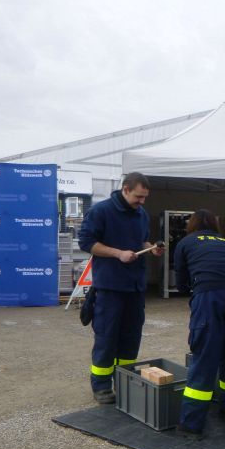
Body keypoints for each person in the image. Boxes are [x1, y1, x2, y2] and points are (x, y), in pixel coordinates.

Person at [77, 172, 165, 404]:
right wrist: (118, 253)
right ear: (125, 189)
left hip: (135, 288)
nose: (142, 202)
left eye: (145, 197)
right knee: (107, 338)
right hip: (110, 288)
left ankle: (125, 381)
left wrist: (151, 248)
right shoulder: (101, 211)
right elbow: (86, 242)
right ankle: (102, 387)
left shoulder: (141, 214)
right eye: (138, 196)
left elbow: (142, 242)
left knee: (130, 338)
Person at [173, 209, 225, 437]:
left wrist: (193, 290)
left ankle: (191, 425)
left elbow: (181, 283)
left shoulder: (186, 243)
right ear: (214, 225)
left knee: (205, 356)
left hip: (210, 297)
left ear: (191, 225)